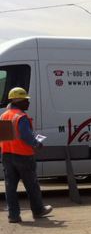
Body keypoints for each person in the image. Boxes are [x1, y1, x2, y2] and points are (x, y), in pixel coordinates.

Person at [1, 87, 52, 223]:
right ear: (18, 101)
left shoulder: (4, 115)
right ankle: (38, 210)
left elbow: (4, 137)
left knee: (10, 187)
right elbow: (26, 136)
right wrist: (37, 144)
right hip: (23, 156)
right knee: (32, 185)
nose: (28, 103)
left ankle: (13, 216)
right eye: (26, 100)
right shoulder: (21, 117)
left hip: (7, 156)